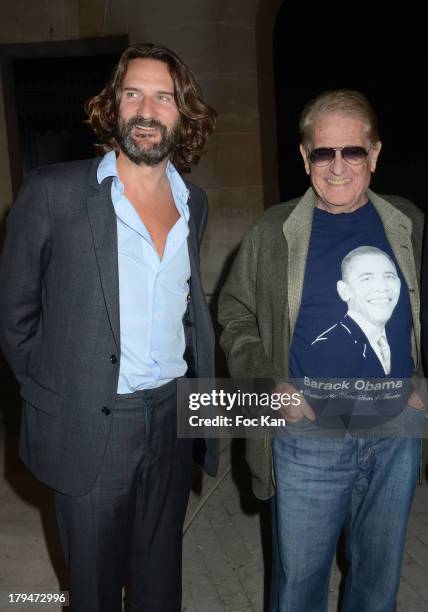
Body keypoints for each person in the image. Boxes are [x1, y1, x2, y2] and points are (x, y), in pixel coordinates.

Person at [0, 43, 218, 612]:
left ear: (183, 111)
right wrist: (57, 392)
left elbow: (189, 312)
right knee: (92, 591)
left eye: (163, 97)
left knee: (160, 582)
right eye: (133, 93)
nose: (147, 109)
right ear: (112, 106)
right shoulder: (53, 193)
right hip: (94, 423)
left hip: (172, 417)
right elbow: (15, 315)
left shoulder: (194, 201)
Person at [218, 89, 425, 611]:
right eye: (322, 153)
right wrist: (270, 389)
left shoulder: (408, 223)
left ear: (374, 154)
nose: (337, 167)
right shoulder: (273, 231)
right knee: (298, 585)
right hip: (307, 435)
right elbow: (235, 312)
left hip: (395, 431)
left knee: (377, 583)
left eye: (352, 151)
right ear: (305, 157)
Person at [310, 245, 401, 377]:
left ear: (399, 283)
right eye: (367, 278)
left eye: (389, 276)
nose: (382, 287)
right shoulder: (328, 347)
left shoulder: (400, 339)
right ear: (345, 291)